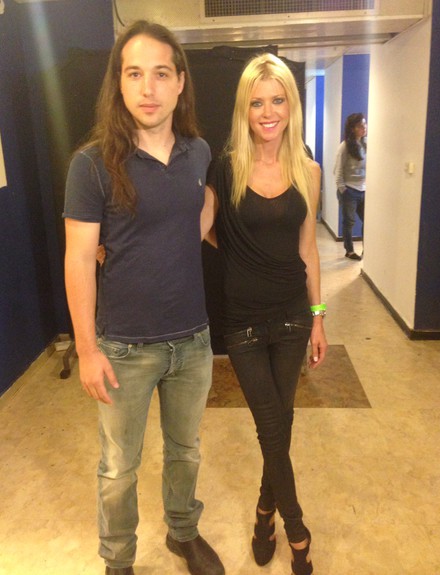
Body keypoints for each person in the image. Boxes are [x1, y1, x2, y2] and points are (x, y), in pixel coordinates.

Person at [63, 20, 224, 575]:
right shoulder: (91, 165)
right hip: (124, 348)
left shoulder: (198, 152)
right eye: (134, 74)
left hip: (193, 341)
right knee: (118, 468)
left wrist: (204, 213)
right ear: (119, 83)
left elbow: (196, 210)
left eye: (160, 73)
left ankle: (183, 533)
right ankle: (119, 560)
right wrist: (87, 349)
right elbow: (78, 259)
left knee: (186, 451)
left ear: (180, 82)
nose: (148, 88)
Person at [202, 53, 328, 575]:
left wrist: (318, 316)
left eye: (277, 100)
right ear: (244, 109)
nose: (268, 112)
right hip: (244, 322)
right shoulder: (225, 167)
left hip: (294, 317)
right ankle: (296, 528)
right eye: (257, 103)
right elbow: (201, 229)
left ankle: (263, 512)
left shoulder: (309, 170)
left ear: (290, 105)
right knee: (271, 425)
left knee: (281, 422)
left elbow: (308, 249)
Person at [334, 112, 367, 260]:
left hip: (364, 190)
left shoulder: (366, 144)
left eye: (365, 124)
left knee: (368, 220)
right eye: (360, 125)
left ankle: (368, 249)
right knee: (349, 222)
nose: (364, 128)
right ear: (352, 128)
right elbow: (338, 170)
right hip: (349, 190)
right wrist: (343, 190)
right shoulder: (345, 146)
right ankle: (349, 250)